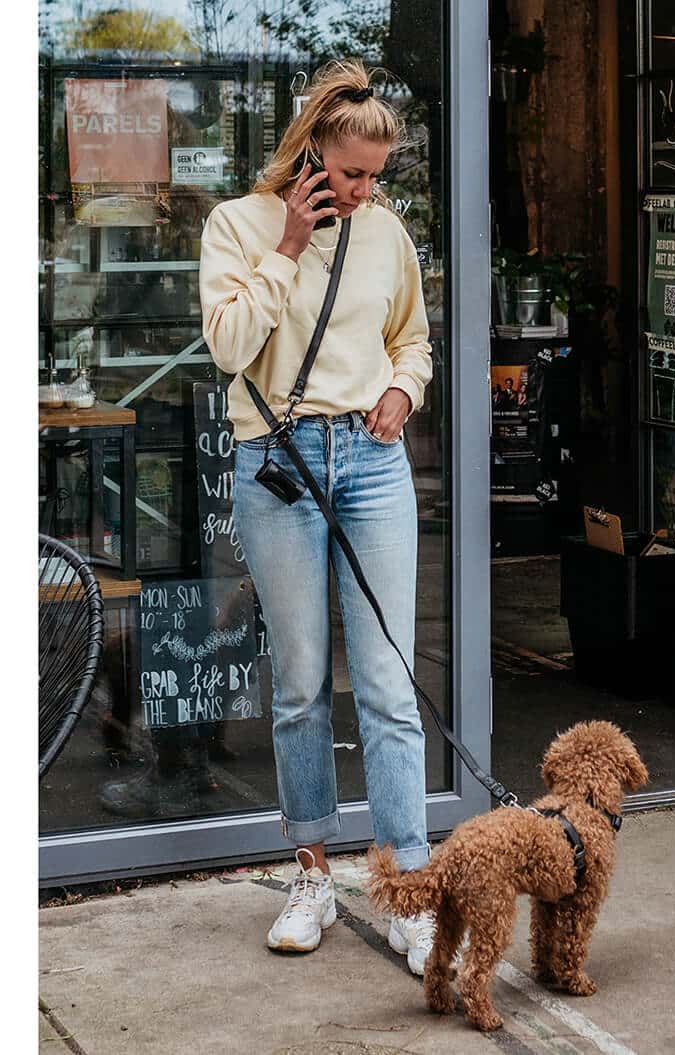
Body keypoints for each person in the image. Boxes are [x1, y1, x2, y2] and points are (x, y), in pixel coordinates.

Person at [198, 59, 435, 970]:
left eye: (376, 174)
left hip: (370, 463)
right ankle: (311, 876)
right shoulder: (238, 225)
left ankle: (409, 889)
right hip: (278, 466)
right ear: (308, 155)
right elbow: (228, 346)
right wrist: (289, 243)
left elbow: (409, 337)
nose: (365, 189)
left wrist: (404, 394)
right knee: (299, 683)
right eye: (349, 172)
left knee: (386, 682)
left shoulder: (386, 233)